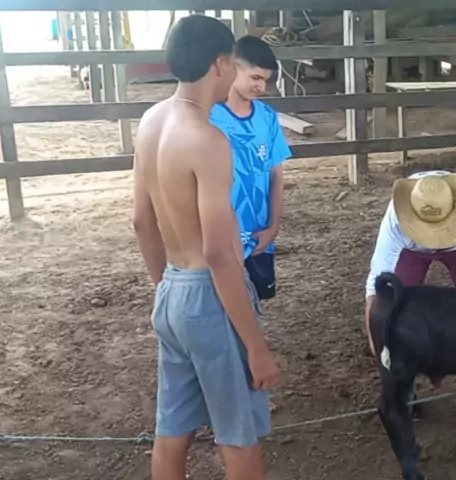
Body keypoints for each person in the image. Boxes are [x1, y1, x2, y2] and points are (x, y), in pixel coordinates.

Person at [132, 15, 279, 480]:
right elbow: (218, 254)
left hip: (173, 288)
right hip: (210, 298)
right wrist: (256, 344)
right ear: (219, 64)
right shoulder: (208, 139)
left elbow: (141, 221)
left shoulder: (151, 122)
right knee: (239, 436)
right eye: (232, 63)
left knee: (172, 431)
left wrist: (166, 288)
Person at [363, 170, 456, 426]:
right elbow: (378, 285)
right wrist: (377, 340)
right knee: (397, 312)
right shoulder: (396, 220)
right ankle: (404, 394)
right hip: (412, 248)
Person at [209, 36, 291, 302]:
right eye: (255, 77)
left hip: (258, 239)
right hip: (220, 239)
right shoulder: (208, 117)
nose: (261, 86)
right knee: (221, 305)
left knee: (253, 306)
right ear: (233, 67)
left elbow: (276, 174)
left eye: (266, 80)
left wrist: (273, 229)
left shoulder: (267, 117)